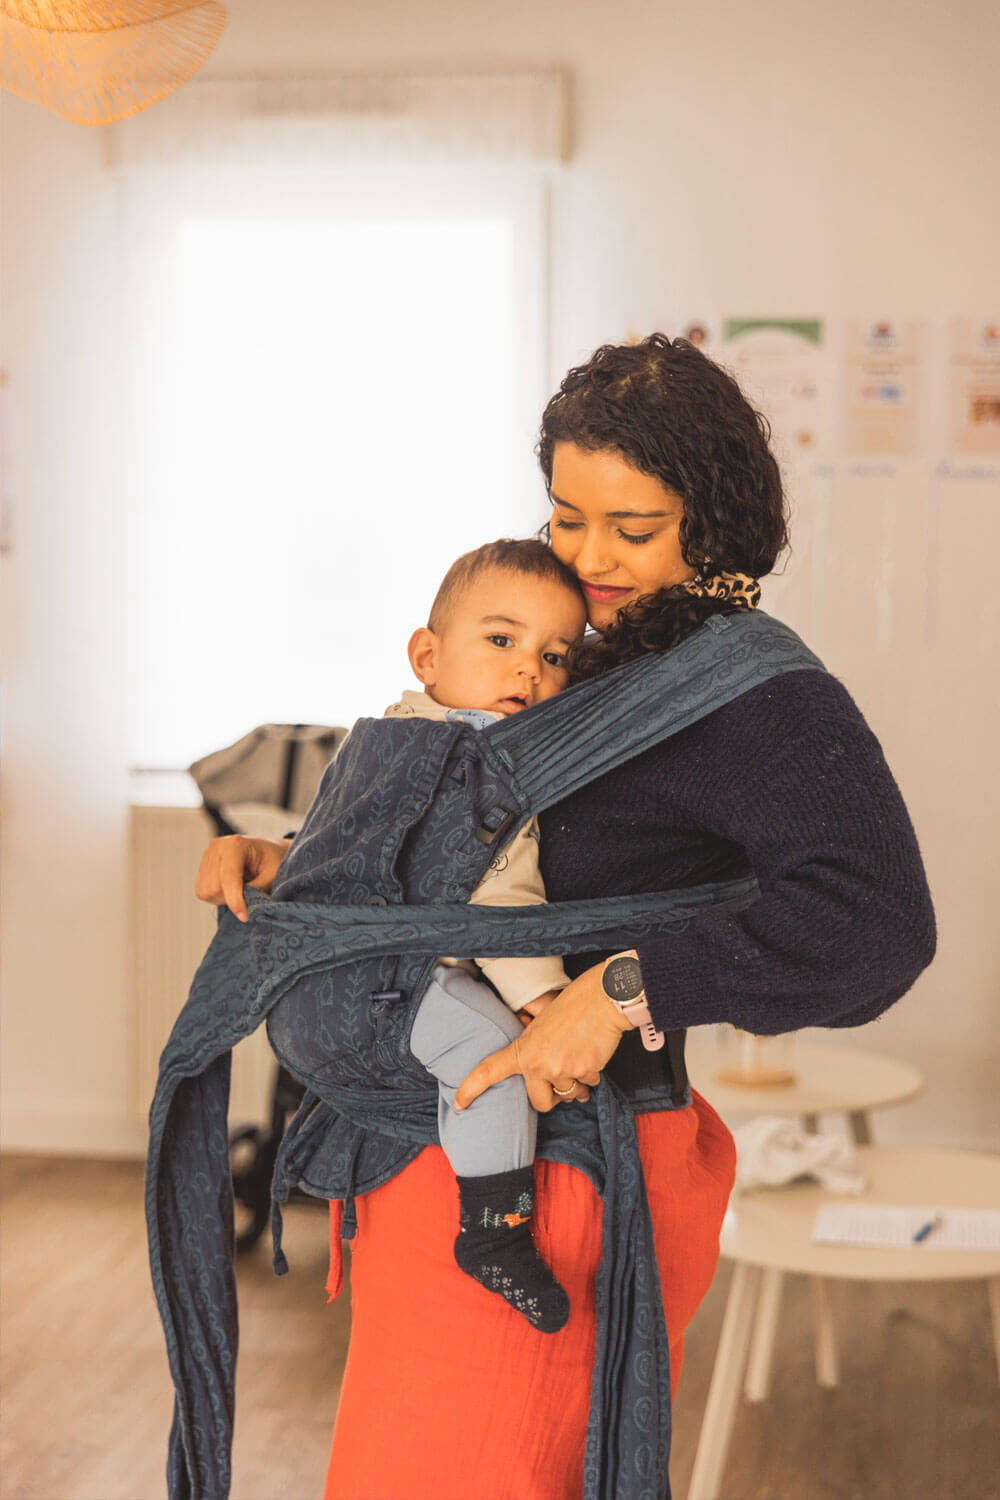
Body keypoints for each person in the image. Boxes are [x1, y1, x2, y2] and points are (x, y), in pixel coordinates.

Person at [196, 334, 936, 1500]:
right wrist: (295, 861)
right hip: (431, 1150)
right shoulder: (576, 656)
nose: (591, 558)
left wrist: (622, 987)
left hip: (566, 1163)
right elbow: (489, 857)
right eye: (566, 517)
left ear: (715, 518)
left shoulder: (756, 695)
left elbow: (877, 927)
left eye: (632, 530)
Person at [382, 538, 588, 1332]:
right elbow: (499, 896)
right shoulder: (475, 762)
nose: (528, 670)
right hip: (396, 971)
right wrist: (544, 1001)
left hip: (369, 961)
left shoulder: (398, 729)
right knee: (495, 1057)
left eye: (555, 655)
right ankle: (493, 1229)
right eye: (502, 641)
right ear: (427, 655)